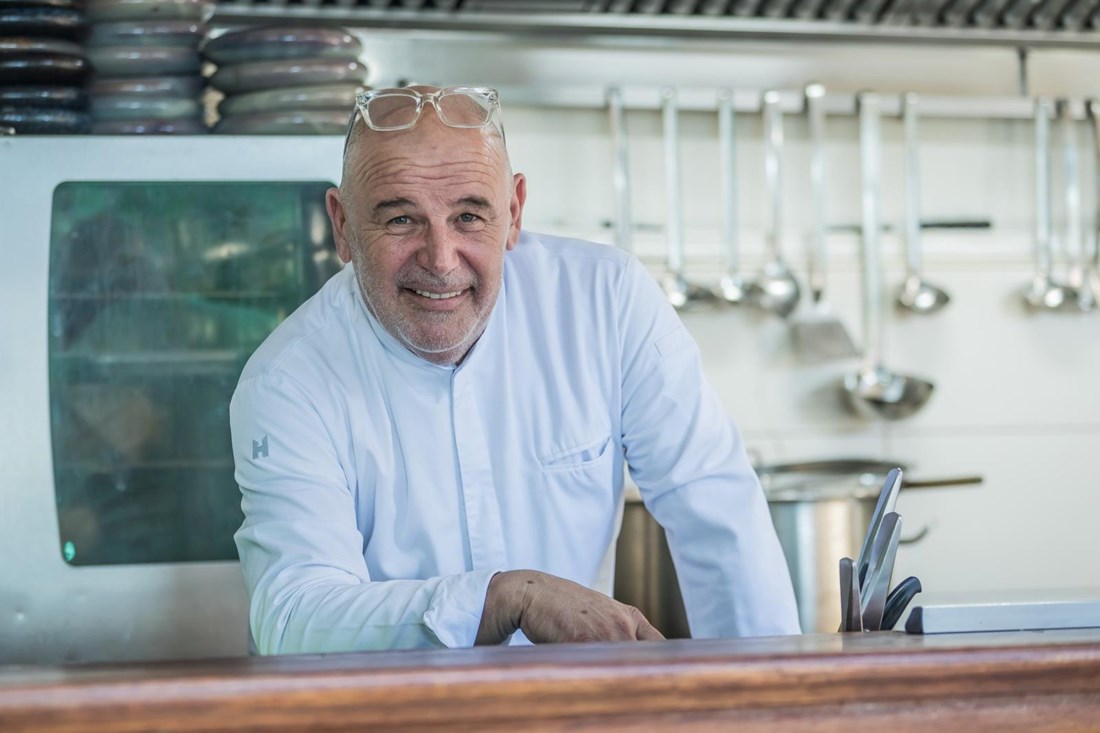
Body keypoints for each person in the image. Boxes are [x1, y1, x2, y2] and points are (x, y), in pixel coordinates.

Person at [230, 85, 800, 654]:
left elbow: (717, 511)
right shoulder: (288, 380)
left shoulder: (607, 300)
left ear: (514, 211)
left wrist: (776, 696)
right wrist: (505, 597)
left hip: (577, 711)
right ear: (343, 226)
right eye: (401, 219)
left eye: (470, 216)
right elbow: (293, 616)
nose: (441, 259)